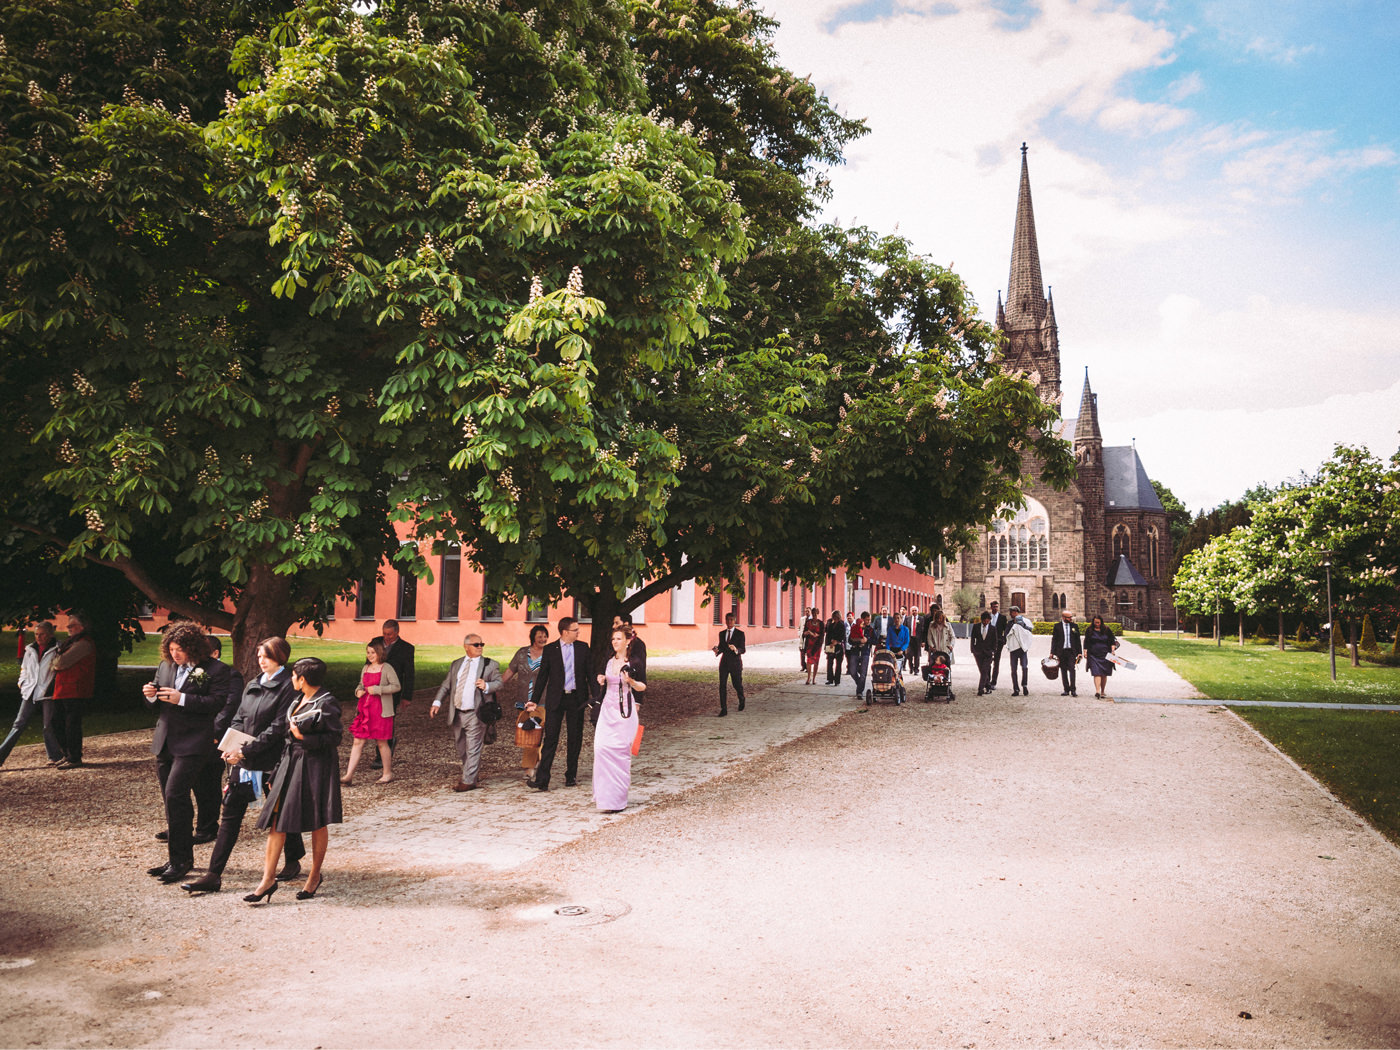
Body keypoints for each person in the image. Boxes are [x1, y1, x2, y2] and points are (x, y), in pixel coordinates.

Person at [181, 637, 305, 894]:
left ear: (280, 657)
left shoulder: (289, 687)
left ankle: (293, 858)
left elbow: (278, 728)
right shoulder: (252, 683)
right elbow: (239, 717)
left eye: (266, 656)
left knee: (278, 812)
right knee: (231, 813)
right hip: (245, 758)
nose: (261, 661)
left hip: (273, 759)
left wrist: (245, 750)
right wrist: (231, 747)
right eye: (259, 656)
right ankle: (213, 874)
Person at [248, 657, 342, 904]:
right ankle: (267, 880)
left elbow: (334, 738)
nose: (291, 680)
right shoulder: (297, 700)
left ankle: (314, 875)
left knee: (317, 821)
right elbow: (287, 741)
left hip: (315, 766)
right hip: (291, 764)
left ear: (303, 679)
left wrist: (305, 738)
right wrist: (278, 770)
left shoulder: (327, 703)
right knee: (277, 820)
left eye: (293, 676)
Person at [142, 624, 231, 883]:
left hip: (194, 743)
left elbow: (217, 703)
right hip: (165, 741)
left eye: (180, 650)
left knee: (175, 794)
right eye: (171, 649)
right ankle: (177, 858)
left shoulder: (216, 670)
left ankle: (181, 861)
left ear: (193, 647)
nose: (175, 654)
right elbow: (156, 700)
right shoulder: (166, 666)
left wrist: (182, 698)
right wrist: (150, 695)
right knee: (171, 801)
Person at [429, 633, 502, 791]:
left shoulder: (490, 665)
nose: (480, 647)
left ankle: (468, 781)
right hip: (457, 712)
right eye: (476, 645)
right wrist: (437, 702)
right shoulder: (456, 664)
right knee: (461, 746)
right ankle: (471, 774)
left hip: (476, 713)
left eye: (482, 644)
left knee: (473, 747)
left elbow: (499, 683)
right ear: (466, 646)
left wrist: (487, 686)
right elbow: (446, 685)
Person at [191, 636, 243, 845]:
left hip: (214, 736)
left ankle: (208, 826)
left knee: (209, 781)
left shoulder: (232, 676)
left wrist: (213, 733)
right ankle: (182, 826)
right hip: (192, 734)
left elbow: (229, 707)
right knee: (189, 782)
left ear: (215, 653)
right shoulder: (193, 674)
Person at [530, 617, 592, 791]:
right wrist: (534, 700)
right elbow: (542, 677)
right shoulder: (550, 650)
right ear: (565, 632)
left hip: (576, 699)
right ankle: (542, 779)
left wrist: (595, 697)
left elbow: (590, 672)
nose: (578, 632)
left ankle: (571, 774)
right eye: (575, 630)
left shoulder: (582, 648)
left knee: (575, 737)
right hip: (556, 699)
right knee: (551, 738)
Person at [592, 627, 645, 812]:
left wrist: (631, 682)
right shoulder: (608, 662)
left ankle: (617, 800)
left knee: (620, 752)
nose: (615, 642)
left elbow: (642, 686)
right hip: (608, 709)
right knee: (600, 749)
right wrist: (601, 679)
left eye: (618, 638)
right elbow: (605, 680)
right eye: (613, 638)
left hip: (625, 711)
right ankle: (604, 797)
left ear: (627, 641)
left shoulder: (634, 662)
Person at [0, 622, 60, 768]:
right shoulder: (30, 650)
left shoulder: (58, 649)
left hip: (48, 692)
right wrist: (22, 684)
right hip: (30, 691)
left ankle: (55, 756)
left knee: (48, 725)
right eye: (36, 634)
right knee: (18, 724)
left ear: (50, 634)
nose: (39, 637)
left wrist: (53, 687)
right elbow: (24, 669)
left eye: (42, 634)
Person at [341, 641, 400, 785]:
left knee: (381, 742)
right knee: (357, 741)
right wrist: (358, 691)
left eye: (373, 652)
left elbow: (396, 686)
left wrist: (378, 689)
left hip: (381, 711)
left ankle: (387, 773)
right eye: (368, 652)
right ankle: (348, 775)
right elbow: (361, 684)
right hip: (365, 709)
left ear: (380, 652)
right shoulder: (365, 668)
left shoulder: (387, 668)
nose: (370, 655)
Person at [502, 625, 549, 781]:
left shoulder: (550, 654)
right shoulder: (522, 653)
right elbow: (510, 670)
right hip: (523, 700)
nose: (543, 639)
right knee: (530, 732)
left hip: (542, 700)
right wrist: (497, 686)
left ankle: (530, 767)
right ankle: (539, 762)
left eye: (545, 636)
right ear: (533, 637)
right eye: (540, 636)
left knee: (535, 730)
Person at [50, 612, 96, 769]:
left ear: (82, 627)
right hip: (64, 689)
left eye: (72, 625)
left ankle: (74, 757)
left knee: (71, 725)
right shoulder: (72, 643)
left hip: (75, 689)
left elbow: (60, 662)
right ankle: (68, 754)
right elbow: (58, 662)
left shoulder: (83, 643)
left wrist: (57, 661)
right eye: (68, 625)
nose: (68, 628)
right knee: (57, 722)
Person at [369, 619, 415, 765]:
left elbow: (409, 673)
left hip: (392, 690)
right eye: (384, 634)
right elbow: (368, 662)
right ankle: (386, 745)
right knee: (372, 720)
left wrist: (406, 696)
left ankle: (381, 756)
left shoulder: (406, 648)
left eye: (389, 634)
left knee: (386, 720)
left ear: (397, 633)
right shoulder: (376, 642)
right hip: (373, 688)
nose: (386, 637)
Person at [714, 612, 746, 716]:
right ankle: (724, 709)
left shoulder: (740, 634)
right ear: (725, 621)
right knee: (722, 685)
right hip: (724, 663)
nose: (729, 622)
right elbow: (721, 648)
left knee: (736, 684)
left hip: (735, 663)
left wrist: (736, 649)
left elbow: (743, 649)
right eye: (727, 620)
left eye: (731, 620)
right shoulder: (722, 633)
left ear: (735, 621)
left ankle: (741, 698)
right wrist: (717, 651)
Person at [1084, 615, 1121, 700]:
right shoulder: (1089, 630)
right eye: (1095, 622)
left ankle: (1102, 691)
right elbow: (1086, 641)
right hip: (1093, 654)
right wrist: (1085, 651)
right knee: (1096, 672)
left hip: (1105, 654)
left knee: (1104, 673)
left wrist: (1112, 651)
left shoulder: (1107, 630)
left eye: (1098, 622)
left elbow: (1112, 641)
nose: (1097, 624)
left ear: (1101, 622)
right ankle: (1097, 691)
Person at [1050, 609, 1083, 697]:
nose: (1071, 618)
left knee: (1072, 669)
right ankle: (1066, 689)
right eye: (1069, 617)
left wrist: (1080, 652)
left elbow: (1078, 640)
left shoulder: (1074, 626)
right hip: (1061, 651)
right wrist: (1052, 652)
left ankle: (1073, 690)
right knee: (1063, 670)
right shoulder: (1057, 626)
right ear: (1064, 617)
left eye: (1071, 617)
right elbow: (1054, 640)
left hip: (1071, 651)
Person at [1004, 606, 1034, 696]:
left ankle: (1024, 685)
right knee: (1014, 670)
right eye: (1010, 612)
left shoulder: (1025, 621)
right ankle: (1016, 689)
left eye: (1012, 612)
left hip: (1022, 648)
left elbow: (1030, 631)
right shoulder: (1010, 623)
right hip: (1013, 649)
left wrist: (1022, 626)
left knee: (1024, 667)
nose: (1010, 614)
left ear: (1016, 612)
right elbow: (1006, 634)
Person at [612, 613, 647, 680]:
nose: (613, 626)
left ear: (626, 623)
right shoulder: (613, 642)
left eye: (617, 623)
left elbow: (640, 670)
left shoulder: (638, 644)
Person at [971, 611, 998, 697]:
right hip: (978, 652)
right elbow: (972, 639)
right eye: (985, 621)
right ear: (982, 620)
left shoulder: (993, 628)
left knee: (984, 670)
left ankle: (980, 689)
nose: (986, 622)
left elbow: (995, 641)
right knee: (982, 670)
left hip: (988, 653)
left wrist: (993, 651)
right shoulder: (976, 627)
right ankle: (988, 686)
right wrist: (973, 650)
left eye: (988, 621)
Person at [846, 614, 868, 698]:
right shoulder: (854, 628)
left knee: (863, 673)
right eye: (865, 620)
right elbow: (850, 639)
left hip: (864, 652)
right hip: (855, 652)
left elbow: (873, 639)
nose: (866, 622)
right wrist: (859, 640)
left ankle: (859, 691)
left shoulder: (869, 629)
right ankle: (860, 684)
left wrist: (866, 640)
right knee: (852, 671)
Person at [986, 601, 1007, 691]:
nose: (995, 608)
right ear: (991, 607)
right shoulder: (987, 617)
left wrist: (1003, 639)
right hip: (988, 643)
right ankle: (987, 681)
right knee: (988, 661)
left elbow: (1006, 630)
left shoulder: (1002, 618)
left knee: (996, 662)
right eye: (994, 606)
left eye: (996, 606)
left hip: (999, 643)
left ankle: (994, 682)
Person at [823, 611, 847, 686]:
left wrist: (837, 641)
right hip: (830, 646)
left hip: (838, 646)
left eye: (836, 617)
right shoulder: (831, 624)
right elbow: (827, 634)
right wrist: (827, 645)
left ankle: (837, 680)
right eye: (834, 617)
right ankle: (830, 679)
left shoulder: (842, 624)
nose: (835, 619)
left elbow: (843, 636)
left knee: (838, 664)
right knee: (829, 663)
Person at [801, 607, 823, 685]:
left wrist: (817, 636)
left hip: (817, 645)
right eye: (813, 614)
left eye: (815, 614)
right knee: (809, 661)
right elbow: (803, 633)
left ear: (817, 614)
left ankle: (814, 678)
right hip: (809, 644)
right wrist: (806, 633)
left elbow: (822, 635)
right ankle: (808, 678)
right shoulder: (808, 622)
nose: (814, 616)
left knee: (816, 661)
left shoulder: (821, 623)